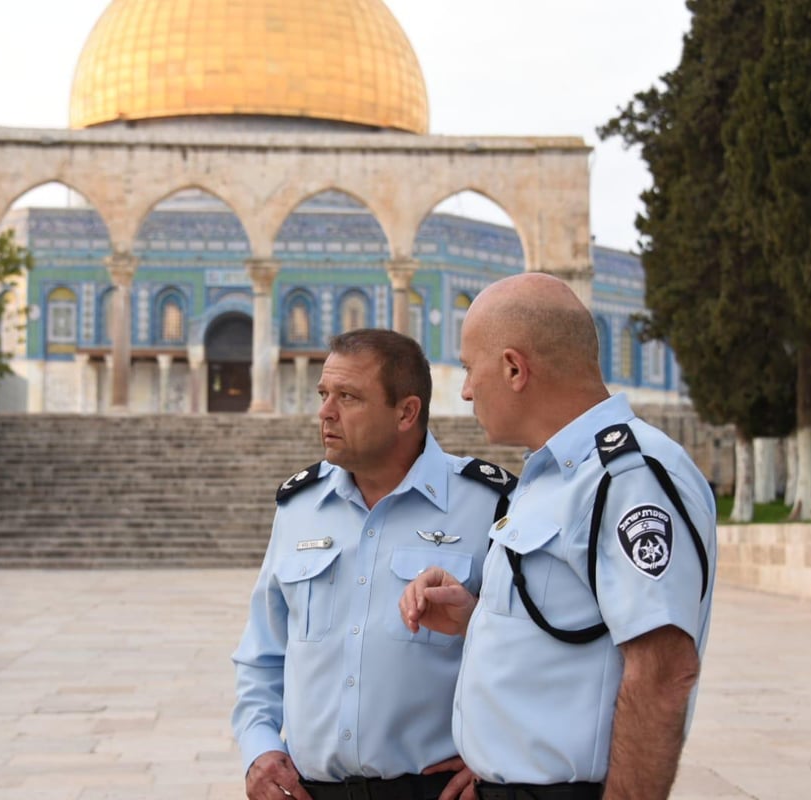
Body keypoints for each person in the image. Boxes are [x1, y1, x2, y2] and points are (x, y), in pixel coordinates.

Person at [400, 273, 717, 800]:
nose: (466, 390)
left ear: (513, 368)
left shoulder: (626, 476)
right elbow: (575, 626)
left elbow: (663, 673)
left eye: (468, 368)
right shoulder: (553, 474)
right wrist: (477, 615)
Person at [233, 328, 515, 800]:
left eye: (348, 397)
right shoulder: (299, 507)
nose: (325, 412)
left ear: (407, 412)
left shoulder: (487, 505)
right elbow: (263, 654)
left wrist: (501, 756)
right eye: (324, 394)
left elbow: (525, 654)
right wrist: (258, 750)